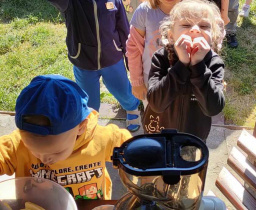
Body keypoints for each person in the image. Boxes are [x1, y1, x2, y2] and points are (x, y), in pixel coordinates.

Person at [0, 75, 132, 200]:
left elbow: (134, 148)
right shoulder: (17, 144)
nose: (44, 159)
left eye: (56, 152)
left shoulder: (100, 139)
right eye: (32, 149)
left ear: (81, 127)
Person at [47, 0, 141, 132]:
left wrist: (129, 58)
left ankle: (131, 108)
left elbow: (123, 29)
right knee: (88, 98)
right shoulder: (70, 3)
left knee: (122, 89)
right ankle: (90, 121)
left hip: (112, 58)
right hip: (84, 60)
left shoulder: (114, 1)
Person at [143, 0, 225, 141]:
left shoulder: (214, 63)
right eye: (186, 25)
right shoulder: (161, 58)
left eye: (204, 26)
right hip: (159, 133)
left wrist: (198, 65)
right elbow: (156, 103)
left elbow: (213, 108)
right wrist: (182, 64)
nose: (195, 29)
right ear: (171, 36)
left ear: (214, 37)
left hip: (193, 138)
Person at [126, 0, 181, 109]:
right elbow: (133, 47)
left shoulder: (193, 11)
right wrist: (137, 81)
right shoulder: (144, 11)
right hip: (151, 77)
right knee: (154, 117)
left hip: (182, 77)